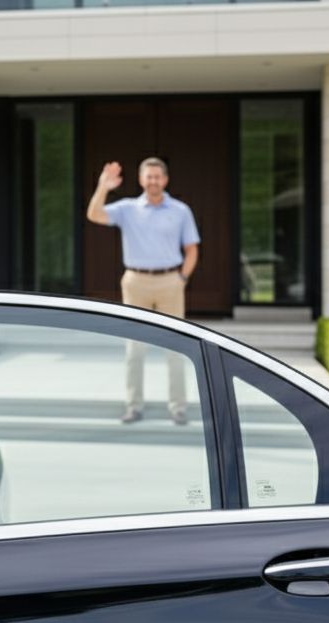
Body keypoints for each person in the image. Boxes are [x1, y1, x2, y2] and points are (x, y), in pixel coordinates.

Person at [86, 157, 200, 426]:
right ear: (141, 180)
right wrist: (103, 186)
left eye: (157, 177)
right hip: (136, 282)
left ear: (166, 180)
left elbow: (192, 249)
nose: (153, 181)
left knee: (175, 348)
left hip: (170, 281)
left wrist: (181, 278)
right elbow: (93, 214)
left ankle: (178, 408)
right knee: (135, 348)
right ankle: (134, 406)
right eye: (148, 177)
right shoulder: (127, 209)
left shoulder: (181, 211)